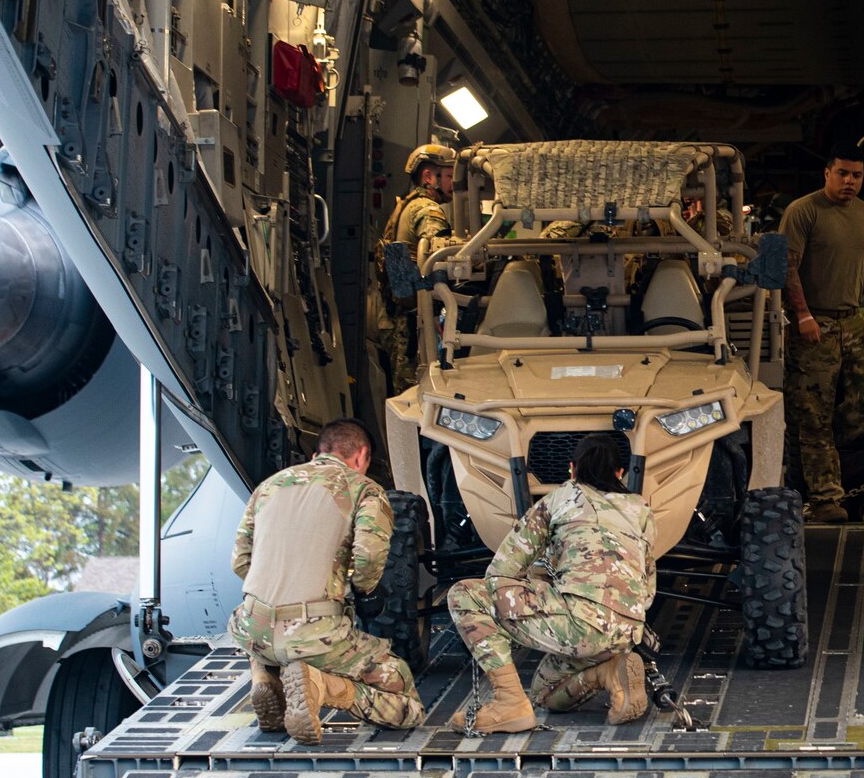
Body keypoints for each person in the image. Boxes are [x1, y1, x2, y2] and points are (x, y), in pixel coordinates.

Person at [445, 431, 656, 733]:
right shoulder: (641, 510)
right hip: (626, 633)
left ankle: (508, 703)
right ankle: (609, 672)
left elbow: (501, 572)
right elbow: (646, 589)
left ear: (571, 470)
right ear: (620, 473)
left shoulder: (561, 497)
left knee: (466, 594)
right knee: (545, 695)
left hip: (579, 625)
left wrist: (522, 613)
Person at [229, 419, 425, 744]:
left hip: (253, 630)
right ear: (361, 456)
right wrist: (364, 590)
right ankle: (325, 687)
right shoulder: (364, 489)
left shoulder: (269, 486)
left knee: (256, 622)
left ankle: (264, 676)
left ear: (318, 451)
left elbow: (240, 562)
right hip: (316, 636)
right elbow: (369, 555)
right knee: (406, 699)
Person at [780, 143, 864, 523]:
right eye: (842, 173)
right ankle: (825, 499)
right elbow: (788, 267)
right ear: (827, 173)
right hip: (815, 324)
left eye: (856, 175)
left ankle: (813, 446)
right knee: (812, 412)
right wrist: (803, 315)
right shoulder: (803, 211)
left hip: (853, 321)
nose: (849, 181)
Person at [373, 143, 458, 392]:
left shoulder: (407, 206)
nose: (454, 183)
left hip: (396, 317)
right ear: (429, 177)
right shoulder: (427, 209)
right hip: (410, 326)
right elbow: (441, 253)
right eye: (450, 175)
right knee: (417, 394)